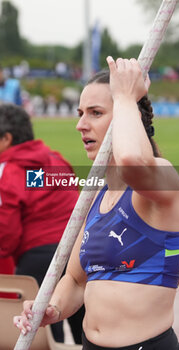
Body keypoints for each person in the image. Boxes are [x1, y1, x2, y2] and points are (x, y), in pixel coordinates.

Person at [14, 57, 179, 349]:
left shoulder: (162, 179)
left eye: (95, 113)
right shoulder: (97, 195)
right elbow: (75, 279)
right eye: (80, 113)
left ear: (128, 116)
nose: (80, 125)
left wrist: (125, 97)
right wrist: (54, 308)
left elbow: (132, 162)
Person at [0, 104, 85, 343]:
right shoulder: (56, 160)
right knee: (85, 335)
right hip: (78, 254)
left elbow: (6, 231)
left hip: (37, 260)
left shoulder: (8, 169)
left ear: (7, 138)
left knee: (43, 339)